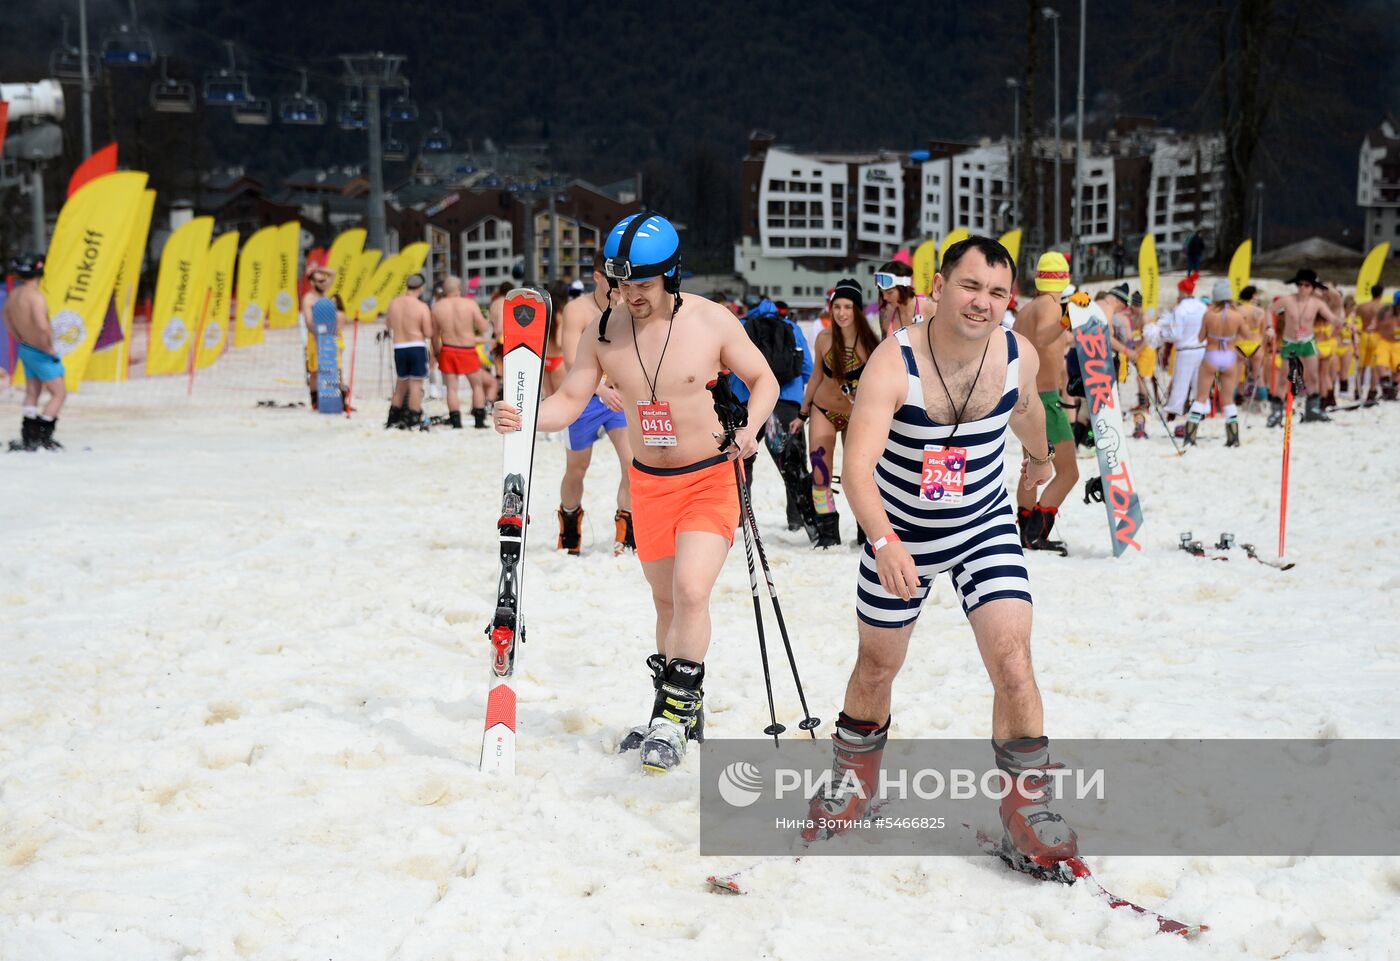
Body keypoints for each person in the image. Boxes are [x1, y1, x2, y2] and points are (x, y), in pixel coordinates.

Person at [804, 236, 1076, 868]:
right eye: (970, 286)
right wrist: (883, 540)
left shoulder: (1018, 354)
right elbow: (857, 466)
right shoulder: (895, 364)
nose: (983, 302)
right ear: (938, 288)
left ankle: (1027, 805)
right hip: (899, 531)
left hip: (983, 524)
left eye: (997, 292)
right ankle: (855, 777)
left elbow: (1027, 409)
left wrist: (1037, 461)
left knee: (1013, 658)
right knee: (877, 666)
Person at [494, 213, 778, 773]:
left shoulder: (712, 321)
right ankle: (676, 707)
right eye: (621, 283)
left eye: (643, 284)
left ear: (671, 275)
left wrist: (750, 432)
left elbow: (764, 379)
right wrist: (523, 416)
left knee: (693, 591)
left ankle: (672, 717)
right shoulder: (603, 331)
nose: (630, 295)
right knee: (667, 602)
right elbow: (571, 400)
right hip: (650, 486)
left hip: (709, 476)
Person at [555, 262, 635, 556]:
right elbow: (570, 361)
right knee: (577, 469)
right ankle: (570, 519)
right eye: (613, 280)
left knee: (632, 464)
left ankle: (625, 535)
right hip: (584, 397)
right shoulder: (578, 310)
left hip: (616, 397)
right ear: (598, 278)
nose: (619, 286)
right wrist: (599, 389)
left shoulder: (627, 303)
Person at [796, 279, 879, 548]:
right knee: (820, 471)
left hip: (857, 416)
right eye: (837, 306)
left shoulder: (871, 343)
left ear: (857, 309)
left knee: (859, 473)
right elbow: (818, 375)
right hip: (824, 410)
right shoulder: (823, 338)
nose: (842, 312)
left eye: (848, 306)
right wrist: (802, 411)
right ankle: (828, 533)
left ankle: (865, 531)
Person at [732, 296, 818, 542]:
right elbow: (808, 369)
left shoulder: (740, 325)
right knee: (792, 462)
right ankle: (796, 518)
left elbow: (729, 366)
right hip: (786, 400)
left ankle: (739, 516)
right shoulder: (791, 327)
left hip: (746, 399)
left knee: (741, 459)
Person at [1011, 251, 1077, 552]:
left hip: (1022, 397)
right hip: (1045, 399)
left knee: (1031, 468)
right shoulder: (1051, 305)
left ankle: (1024, 528)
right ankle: (1037, 531)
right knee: (1068, 472)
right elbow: (1045, 336)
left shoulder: (1026, 308)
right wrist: (1067, 317)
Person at [2, 254, 66, 451]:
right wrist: (48, 347)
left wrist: (20, 337)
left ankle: (29, 433)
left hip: (26, 348)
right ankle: (44, 435)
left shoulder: (14, 295)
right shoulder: (36, 297)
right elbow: (41, 325)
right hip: (40, 350)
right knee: (59, 394)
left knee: (32, 391)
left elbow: (7, 319)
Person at [1270, 269, 1339, 424]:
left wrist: (1346, 325)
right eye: (1300, 284)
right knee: (1283, 378)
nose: (1302, 288)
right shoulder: (1287, 300)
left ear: (1312, 287)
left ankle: (1312, 410)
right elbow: (1270, 310)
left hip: (1307, 342)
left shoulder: (1317, 303)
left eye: (1307, 285)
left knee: (1313, 376)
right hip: (1290, 342)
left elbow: (1332, 317)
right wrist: (1269, 327)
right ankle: (1276, 412)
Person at [1185, 280, 1247, 447]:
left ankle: (1190, 437)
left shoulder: (1209, 314)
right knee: (1228, 400)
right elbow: (1247, 335)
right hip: (1229, 356)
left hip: (1211, 354)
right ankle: (1233, 438)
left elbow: (1200, 337)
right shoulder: (1237, 316)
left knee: (1201, 397)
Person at [431, 275, 494, 428]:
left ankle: (456, 422)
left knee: (451, 388)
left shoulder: (437, 307)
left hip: (448, 348)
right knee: (477, 385)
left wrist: (437, 353)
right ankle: (479, 421)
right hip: (467, 349)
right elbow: (484, 327)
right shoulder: (469, 304)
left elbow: (434, 335)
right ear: (459, 289)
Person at [385, 274, 434, 429]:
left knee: (400, 384)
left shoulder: (394, 304)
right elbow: (427, 332)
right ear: (421, 288)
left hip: (399, 346)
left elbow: (389, 325)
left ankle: (392, 418)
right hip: (416, 345)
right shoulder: (421, 306)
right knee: (415, 385)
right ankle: (413, 418)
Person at [1162, 273, 1206, 422]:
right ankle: (1202, 409)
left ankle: (1173, 411)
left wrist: (1163, 333)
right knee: (1199, 382)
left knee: (1180, 382)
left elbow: (1176, 334)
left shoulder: (1180, 309)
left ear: (1182, 291)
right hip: (1201, 348)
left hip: (1185, 350)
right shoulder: (1202, 306)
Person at [300, 264, 346, 410]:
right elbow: (308, 321)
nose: (324, 283)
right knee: (315, 370)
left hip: (331, 337)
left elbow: (333, 272)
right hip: (315, 337)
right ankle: (315, 401)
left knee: (336, 367)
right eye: (320, 281)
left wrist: (317, 270)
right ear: (312, 282)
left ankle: (338, 398)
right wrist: (319, 336)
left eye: (324, 280)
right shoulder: (309, 298)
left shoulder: (325, 295)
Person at [1235, 285, 1272, 407]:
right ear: (1253, 296)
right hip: (1255, 343)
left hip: (1240, 343)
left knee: (1237, 375)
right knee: (1258, 376)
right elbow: (1263, 332)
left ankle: (1235, 400)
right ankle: (1263, 402)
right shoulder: (1260, 311)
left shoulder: (1237, 310)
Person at [875, 261, 923, 337]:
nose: (884, 297)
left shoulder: (931, 308)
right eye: (882, 293)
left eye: (889, 292)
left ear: (904, 288)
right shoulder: (887, 315)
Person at [1358, 284, 1385, 405]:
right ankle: (1372, 390)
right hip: (1376, 336)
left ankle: (1357, 390)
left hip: (1364, 335)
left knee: (1362, 365)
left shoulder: (1362, 306)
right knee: (1374, 366)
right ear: (1381, 293)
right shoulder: (1382, 307)